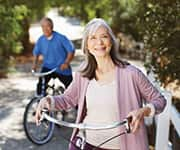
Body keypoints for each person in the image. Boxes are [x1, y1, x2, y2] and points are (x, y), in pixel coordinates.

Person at [35, 18, 166, 150]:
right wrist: (47, 100)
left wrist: (143, 111)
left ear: (111, 41)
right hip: (87, 144)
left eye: (104, 36)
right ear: (86, 45)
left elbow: (159, 100)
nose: (99, 42)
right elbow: (68, 99)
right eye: (93, 38)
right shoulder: (83, 75)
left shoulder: (131, 73)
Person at [32, 17, 75, 96]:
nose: (45, 29)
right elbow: (36, 53)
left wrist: (66, 63)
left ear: (52, 26)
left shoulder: (61, 38)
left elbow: (71, 50)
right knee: (40, 86)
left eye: (47, 26)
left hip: (61, 67)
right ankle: (40, 103)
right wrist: (34, 65)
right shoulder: (41, 40)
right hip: (48, 67)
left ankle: (78, 107)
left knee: (72, 90)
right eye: (43, 27)